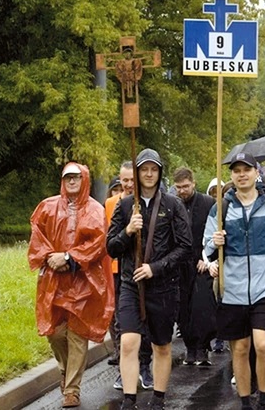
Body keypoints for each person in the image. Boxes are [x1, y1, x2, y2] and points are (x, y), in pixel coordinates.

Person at [205, 152, 265, 410]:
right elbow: (205, 250)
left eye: (246, 169)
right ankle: (245, 402)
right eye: (236, 170)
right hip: (232, 290)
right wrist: (214, 245)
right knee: (239, 348)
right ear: (232, 176)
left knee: (262, 344)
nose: (241, 174)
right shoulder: (221, 207)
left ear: (256, 172)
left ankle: (264, 398)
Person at [107, 149, 193, 410]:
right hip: (131, 285)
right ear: (136, 173)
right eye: (143, 169)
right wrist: (127, 231)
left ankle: (158, 398)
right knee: (129, 341)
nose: (148, 174)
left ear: (159, 173)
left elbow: (185, 247)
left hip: (163, 286)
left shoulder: (172, 204)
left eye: (153, 169)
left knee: (162, 345)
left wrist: (156, 268)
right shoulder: (124, 206)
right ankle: (129, 400)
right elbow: (111, 247)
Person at [28, 162, 114, 408]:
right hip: (53, 281)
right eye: (68, 178)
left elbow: (99, 242)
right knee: (55, 332)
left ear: (84, 179)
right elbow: (37, 235)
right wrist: (50, 258)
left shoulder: (95, 210)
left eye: (76, 177)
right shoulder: (48, 206)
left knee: (77, 334)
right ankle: (66, 371)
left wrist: (70, 257)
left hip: (83, 282)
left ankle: (72, 389)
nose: (72, 182)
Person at [105, 162, 154, 390]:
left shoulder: (151, 203)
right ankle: (123, 368)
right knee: (120, 321)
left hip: (144, 271)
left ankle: (144, 365)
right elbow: (110, 240)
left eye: (132, 180)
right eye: (124, 180)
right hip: (118, 270)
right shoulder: (112, 204)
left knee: (144, 319)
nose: (128, 185)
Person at [173, 167, 217, 366]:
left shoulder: (208, 204)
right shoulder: (173, 205)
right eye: (179, 187)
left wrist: (207, 258)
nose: (182, 191)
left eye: (186, 186)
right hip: (180, 264)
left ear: (193, 184)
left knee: (202, 307)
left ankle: (202, 347)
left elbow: (215, 233)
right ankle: (190, 347)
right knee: (183, 308)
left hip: (202, 262)